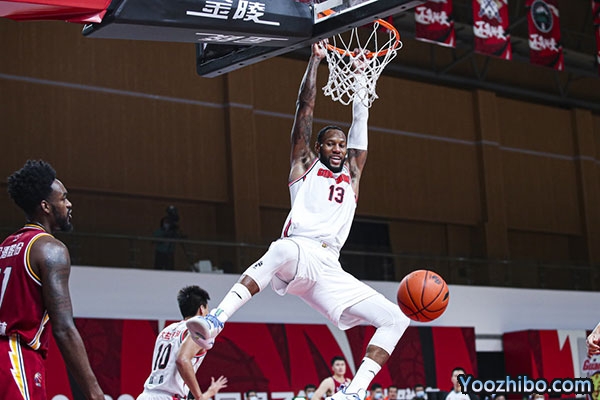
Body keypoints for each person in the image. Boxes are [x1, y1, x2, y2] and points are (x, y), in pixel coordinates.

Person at [186, 41, 410, 400]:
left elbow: (360, 123)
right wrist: (315, 62)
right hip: (298, 250)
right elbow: (304, 108)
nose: (338, 148)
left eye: (342, 145)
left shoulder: (352, 173)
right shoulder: (304, 166)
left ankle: (353, 392)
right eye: (331, 144)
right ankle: (216, 320)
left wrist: (360, 82)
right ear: (318, 148)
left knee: (397, 318)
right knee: (281, 249)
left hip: (330, 267)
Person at [0, 160, 105, 399]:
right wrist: (95, 392)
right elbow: (64, 328)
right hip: (15, 357)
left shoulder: (6, 246)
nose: (69, 204)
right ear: (46, 206)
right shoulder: (50, 249)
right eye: (63, 198)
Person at [138, 285, 227, 400]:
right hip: (169, 396)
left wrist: (209, 393)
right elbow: (182, 360)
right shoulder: (196, 331)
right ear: (201, 309)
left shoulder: (166, 330)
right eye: (207, 310)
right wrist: (199, 396)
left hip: (146, 395)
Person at [153, 205, 183, 270]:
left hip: (170, 253)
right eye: (166, 222)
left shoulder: (173, 230)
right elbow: (154, 240)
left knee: (169, 269)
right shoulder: (159, 231)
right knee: (158, 269)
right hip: (160, 252)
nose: (167, 224)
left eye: (168, 222)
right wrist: (165, 235)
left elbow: (178, 237)